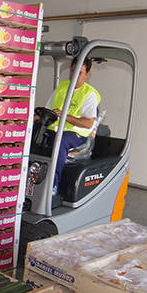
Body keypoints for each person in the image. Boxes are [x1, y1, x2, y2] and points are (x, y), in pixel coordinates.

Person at [46, 57, 100, 194]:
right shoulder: (62, 87)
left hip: (77, 135)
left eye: (80, 72)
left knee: (60, 141)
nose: (74, 74)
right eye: (72, 70)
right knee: (35, 136)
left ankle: (53, 185)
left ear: (87, 75)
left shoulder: (89, 94)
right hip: (56, 130)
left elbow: (88, 123)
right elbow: (47, 109)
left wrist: (65, 116)